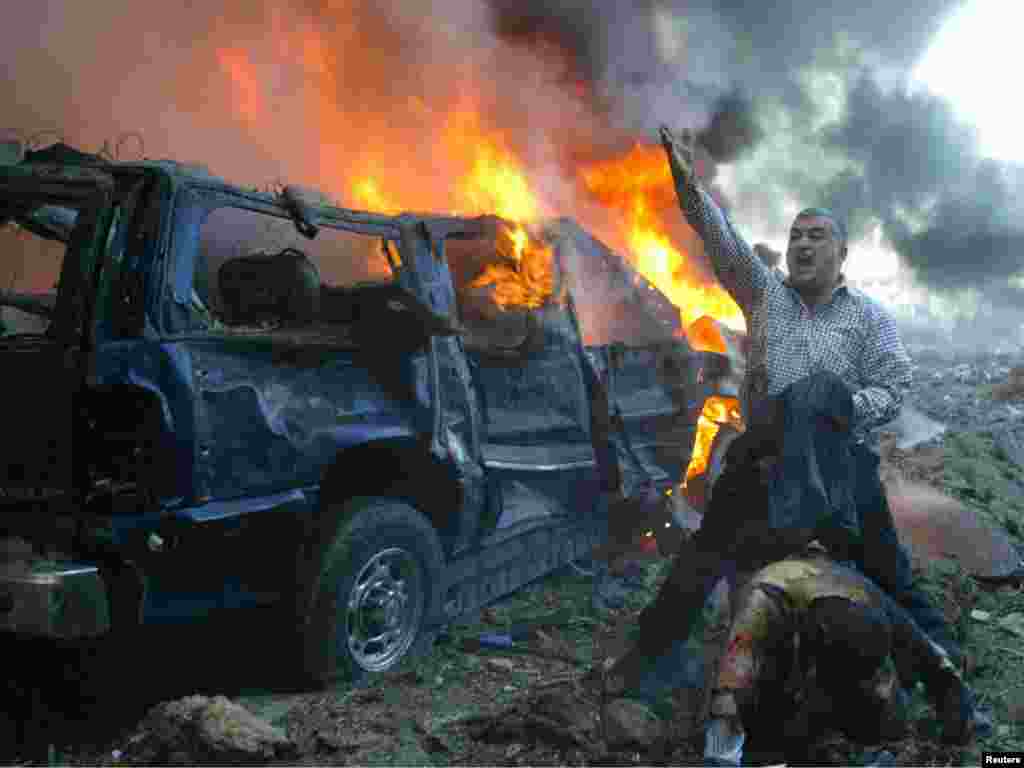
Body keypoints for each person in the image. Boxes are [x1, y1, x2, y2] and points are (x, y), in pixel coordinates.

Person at [605, 125, 970, 714]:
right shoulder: (764, 295)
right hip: (765, 460)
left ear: (841, 253)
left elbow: (896, 385)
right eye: (796, 235)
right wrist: (687, 181)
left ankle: (947, 681)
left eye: (817, 236)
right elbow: (719, 238)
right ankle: (645, 663)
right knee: (695, 568)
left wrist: (845, 408)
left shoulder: (869, 320)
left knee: (892, 575)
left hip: (841, 461)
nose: (801, 244)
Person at [702, 549, 973, 766]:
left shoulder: (869, 600)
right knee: (766, 721)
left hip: (823, 639)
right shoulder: (761, 608)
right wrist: (722, 755)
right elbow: (729, 691)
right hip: (780, 648)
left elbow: (928, 654)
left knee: (883, 714)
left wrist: (953, 701)